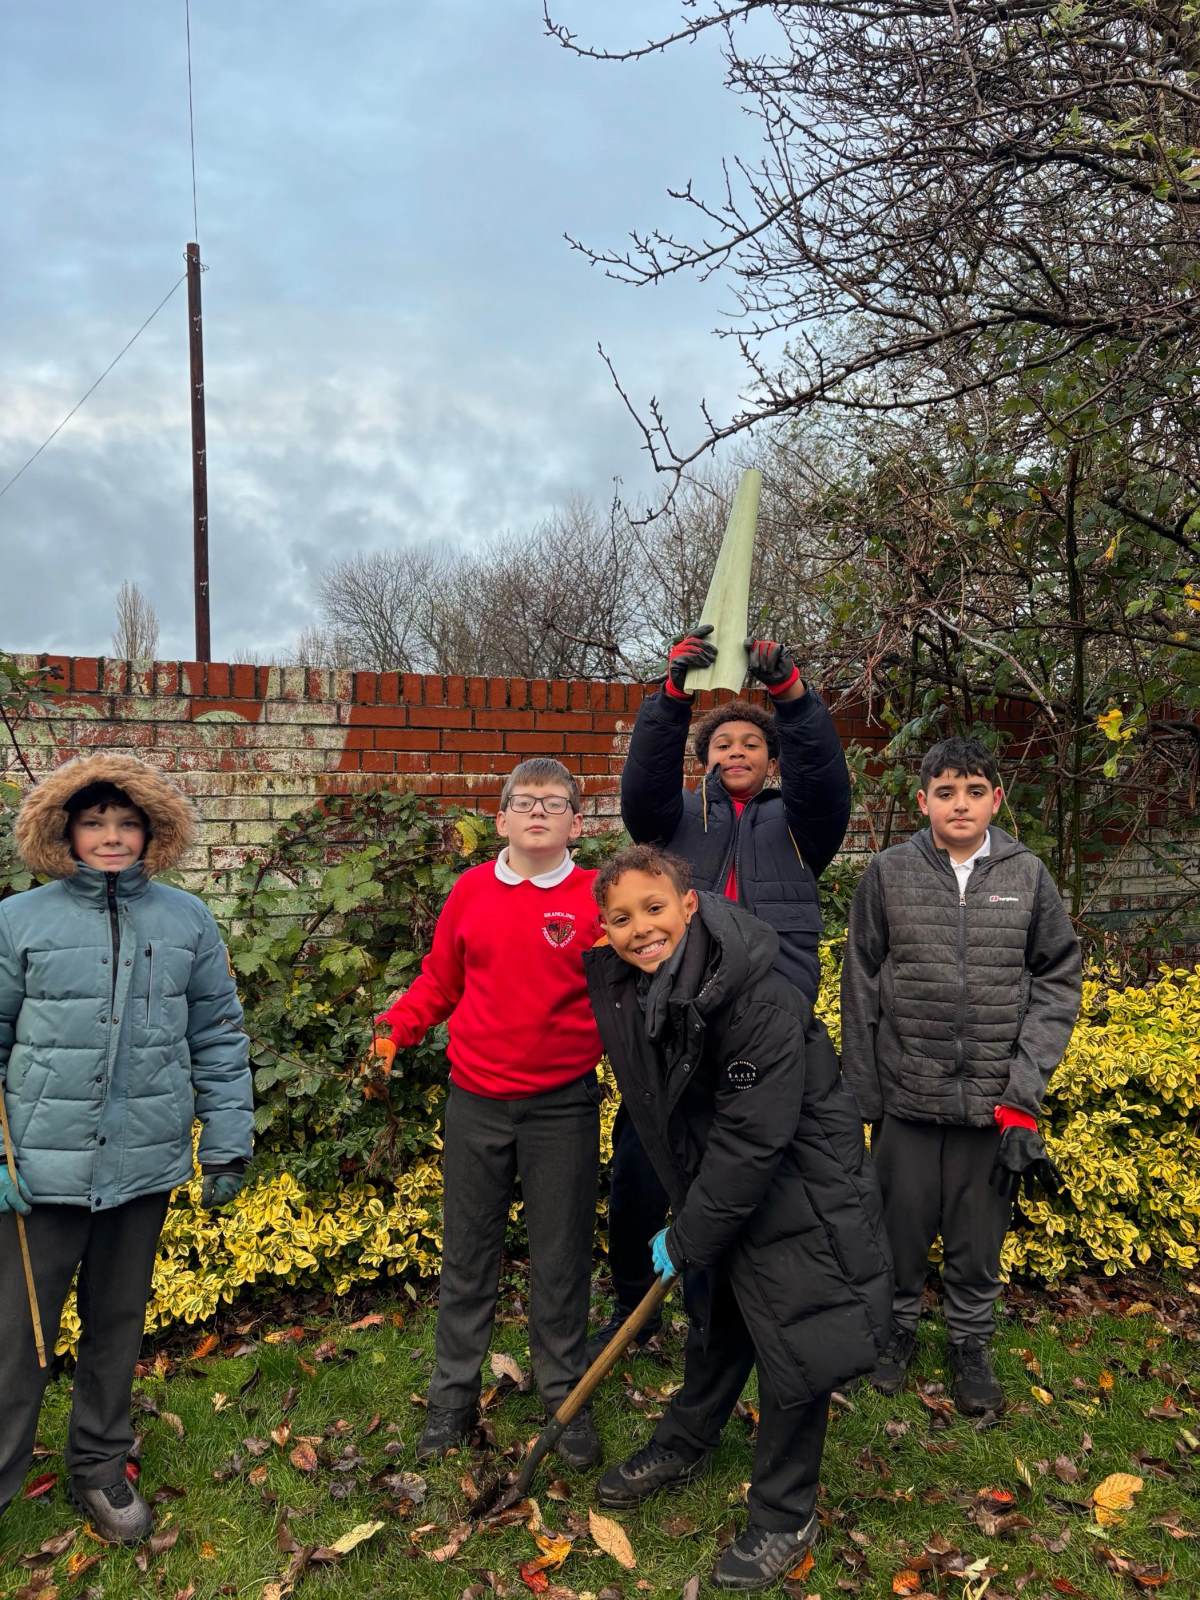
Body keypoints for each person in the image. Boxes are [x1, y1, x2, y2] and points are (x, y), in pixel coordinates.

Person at [586, 845, 891, 1592]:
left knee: (794, 1343)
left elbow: (754, 1139)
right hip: (716, 1181)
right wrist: (690, 1217)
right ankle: (687, 1440)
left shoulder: (758, 997)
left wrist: (690, 1230)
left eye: (654, 908)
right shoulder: (634, 983)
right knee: (718, 1318)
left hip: (798, 1184)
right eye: (621, 918)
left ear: (688, 906)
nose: (640, 928)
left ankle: (786, 1513)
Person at [0, 755, 252, 1542]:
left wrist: (227, 1143)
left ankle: (101, 1465)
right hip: (39, 1173)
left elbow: (217, 1033)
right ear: (64, 831)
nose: (111, 836)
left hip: (142, 1166)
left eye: (126, 822)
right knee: (15, 1338)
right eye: (93, 822)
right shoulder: (19, 920)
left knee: (116, 1326)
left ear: (151, 832)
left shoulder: (186, 920)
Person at [589, 627, 851, 1356]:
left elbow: (826, 777)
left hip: (764, 1025)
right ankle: (634, 1309)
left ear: (771, 760)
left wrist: (791, 693)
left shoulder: (801, 828)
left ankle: (746, 1317)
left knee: (753, 1169)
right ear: (704, 759)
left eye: (752, 744)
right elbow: (641, 784)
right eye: (723, 744)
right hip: (674, 1021)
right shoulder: (674, 822)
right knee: (642, 1166)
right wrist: (672, 696)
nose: (737, 751)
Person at [371, 759, 605, 1469]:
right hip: (476, 1101)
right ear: (500, 819)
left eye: (554, 803)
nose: (538, 812)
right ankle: (452, 1398)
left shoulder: (598, 896)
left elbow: (632, 985)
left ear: (576, 823)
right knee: (468, 1255)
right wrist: (395, 1028)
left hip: (563, 1106)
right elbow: (440, 982)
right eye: (523, 802)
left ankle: (563, 1398)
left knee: (561, 1259)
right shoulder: (471, 890)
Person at [840, 735, 1082, 1414]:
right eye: (945, 792)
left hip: (990, 1103)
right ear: (923, 802)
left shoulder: (1027, 875)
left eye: (975, 791)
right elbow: (860, 980)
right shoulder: (888, 873)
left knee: (978, 1242)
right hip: (907, 1096)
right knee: (899, 1230)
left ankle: (970, 1343)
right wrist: (864, 1095)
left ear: (996, 799)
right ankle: (894, 1331)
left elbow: (1058, 977)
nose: (960, 804)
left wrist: (1023, 1095)